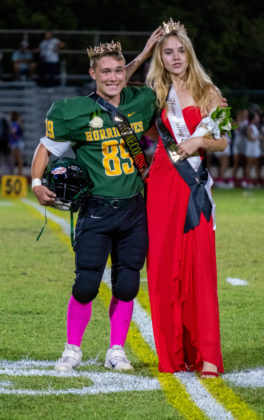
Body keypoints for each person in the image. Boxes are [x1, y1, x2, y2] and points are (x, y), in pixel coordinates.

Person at [31, 32, 162, 372]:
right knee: (87, 284)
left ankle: (116, 350)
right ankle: (72, 349)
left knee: (128, 283)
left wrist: (213, 105)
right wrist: (34, 182)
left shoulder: (141, 100)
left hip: (134, 209)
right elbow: (46, 146)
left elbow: (172, 116)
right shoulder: (74, 111)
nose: (114, 77)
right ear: (93, 74)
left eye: (119, 70)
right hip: (96, 209)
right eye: (105, 71)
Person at [130, 19, 228, 378]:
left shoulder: (210, 92)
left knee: (200, 267)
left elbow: (223, 140)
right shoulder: (153, 92)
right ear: (161, 55)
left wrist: (200, 141)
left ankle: (207, 355)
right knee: (164, 269)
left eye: (180, 50)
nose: (174, 57)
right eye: (167, 51)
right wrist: (142, 52)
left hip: (194, 185)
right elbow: (115, 87)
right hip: (161, 184)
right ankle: (172, 356)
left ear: (189, 53)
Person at [9, 111, 24, 175]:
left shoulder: (16, 124)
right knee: (13, 159)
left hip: (16, 143)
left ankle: (19, 173)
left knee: (17, 159)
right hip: (13, 143)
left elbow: (15, 133)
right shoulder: (13, 124)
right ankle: (16, 173)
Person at [0, 110, 13, 175]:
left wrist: (8, 141)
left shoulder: (4, 120)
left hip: (4, 142)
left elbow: (8, 131)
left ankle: (10, 173)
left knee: (7, 158)